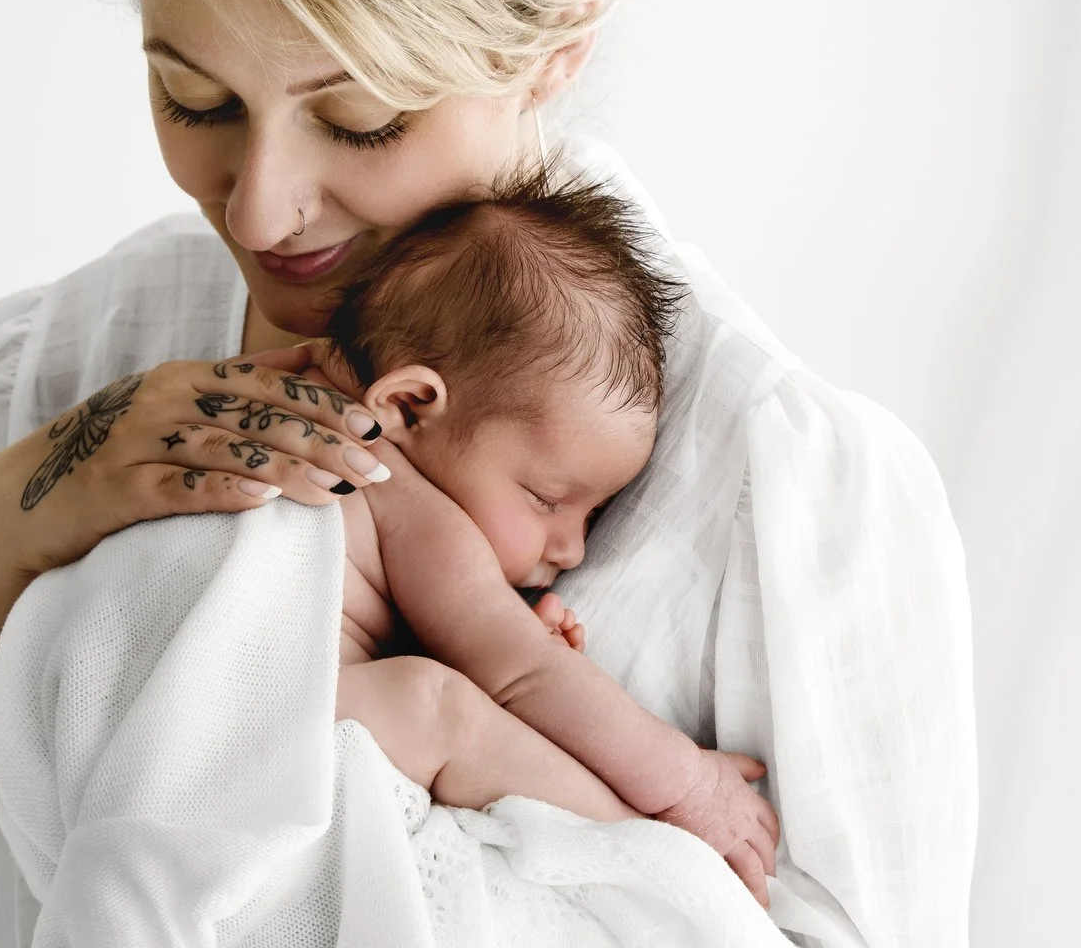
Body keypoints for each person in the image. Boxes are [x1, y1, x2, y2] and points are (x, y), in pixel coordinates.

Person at [0, 0, 978, 946]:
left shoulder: (781, 487)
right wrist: (23, 503)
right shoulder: (43, 366)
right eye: (197, 98)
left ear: (561, 37)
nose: (260, 207)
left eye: (364, 117)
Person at [318, 169, 779, 877]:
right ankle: (646, 857)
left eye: (594, 513)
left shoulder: (282, 401)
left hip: (162, 698)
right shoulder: (400, 494)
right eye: (547, 498)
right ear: (408, 407)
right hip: (245, 718)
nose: (573, 547)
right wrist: (684, 784)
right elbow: (522, 678)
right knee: (438, 706)